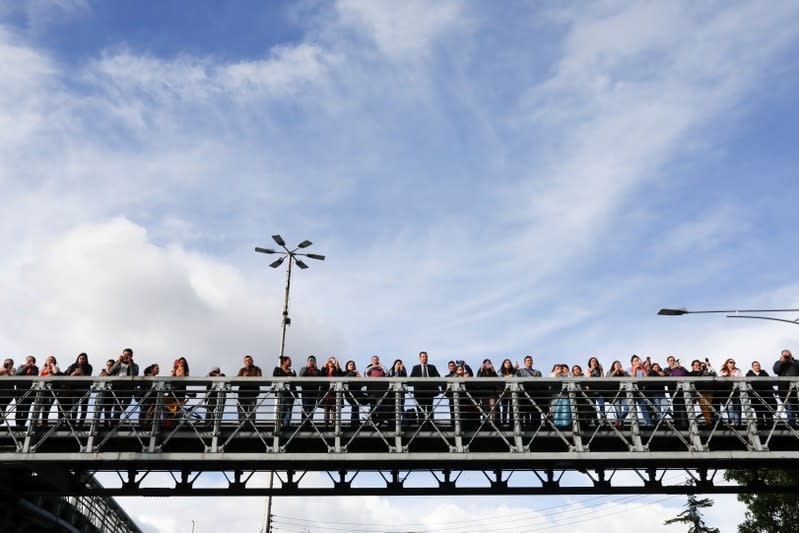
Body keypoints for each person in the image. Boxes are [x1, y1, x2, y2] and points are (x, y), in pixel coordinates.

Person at [108, 348, 139, 423]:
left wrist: (130, 364)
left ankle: (113, 419)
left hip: (128, 388)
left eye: (128, 355)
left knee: (126, 403)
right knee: (116, 406)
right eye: (125, 355)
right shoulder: (118, 363)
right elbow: (110, 371)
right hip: (117, 387)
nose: (126, 356)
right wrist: (118, 362)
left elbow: (134, 374)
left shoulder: (135, 365)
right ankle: (113, 424)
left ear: (131, 356)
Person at [410, 351, 441, 422]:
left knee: (430, 411)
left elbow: (438, 376)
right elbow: (411, 378)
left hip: (429, 392)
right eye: (423, 356)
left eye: (426, 356)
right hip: (419, 393)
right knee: (421, 412)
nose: (425, 358)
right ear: (420, 358)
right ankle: (421, 427)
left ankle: (431, 426)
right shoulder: (415, 368)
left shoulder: (432, 367)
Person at [64, 353, 93, 427]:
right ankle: (73, 423)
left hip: (85, 389)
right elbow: (67, 376)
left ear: (86, 359)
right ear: (78, 358)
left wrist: (81, 373)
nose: (81, 360)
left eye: (83, 359)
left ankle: (81, 424)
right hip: (75, 389)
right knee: (74, 407)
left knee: (84, 408)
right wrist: (74, 373)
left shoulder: (89, 367)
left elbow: (87, 378)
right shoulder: (73, 366)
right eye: (80, 358)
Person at [515, 355, 544, 428]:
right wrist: (514, 368)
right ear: (524, 362)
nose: (529, 362)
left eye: (530, 360)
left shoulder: (538, 372)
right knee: (524, 411)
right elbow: (514, 378)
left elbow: (540, 383)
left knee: (535, 411)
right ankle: (523, 427)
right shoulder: (520, 371)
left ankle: (536, 427)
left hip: (535, 394)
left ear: (532, 362)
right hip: (523, 395)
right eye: (528, 361)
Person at [773, 349, 799, 425]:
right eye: (785, 355)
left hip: (797, 390)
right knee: (790, 409)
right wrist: (781, 361)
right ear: (781, 356)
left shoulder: (796, 362)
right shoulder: (778, 363)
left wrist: (792, 362)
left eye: (788, 355)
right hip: (784, 391)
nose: (787, 357)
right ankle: (792, 427)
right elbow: (776, 370)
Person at [33, 355, 61, 427]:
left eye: (52, 360)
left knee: (47, 406)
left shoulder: (56, 368)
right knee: (39, 406)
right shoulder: (43, 368)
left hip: (51, 389)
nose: (50, 361)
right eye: (48, 360)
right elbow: (39, 377)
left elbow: (56, 373)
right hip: (42, 389)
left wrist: (52, 365)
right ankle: (37, 422)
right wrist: (44, 372)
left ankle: (44, 422)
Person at [747, 361, 776, 427]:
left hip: (767, 398)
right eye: (755, 365)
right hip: (756, 398)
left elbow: (769, 384)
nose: (757, 366)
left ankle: (771, 428)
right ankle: (761, 429)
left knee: (769, 415)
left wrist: (773, 390)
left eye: (758, 365)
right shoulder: (749, 374)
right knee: (759, 415)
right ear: (752, 367)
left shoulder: (764, 373)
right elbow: (748, 386)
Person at [663, 355, 689, 429]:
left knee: (684, 407)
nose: (672, 362)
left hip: (683, 390)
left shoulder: (681, 368)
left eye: (673, 360)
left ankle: (686, 424)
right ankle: (678, 425)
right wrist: (674, 368)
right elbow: (669, 375)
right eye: (671, 360)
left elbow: (687, 374)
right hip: (673, 390)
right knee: (676, 406)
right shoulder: (666, 369)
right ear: (668, 362)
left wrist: (680, 368)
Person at [688, 359, 715, 425]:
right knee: (704, 407)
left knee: (709, 407)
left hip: (708, 391)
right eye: (696, 365)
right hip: (699, 392)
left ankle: (710, 422)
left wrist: (709, 366)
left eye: (699, 365)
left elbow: (714, 375)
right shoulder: (690, 374)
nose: (698, 366)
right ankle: (708, 423)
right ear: (692, 366)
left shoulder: (705, 372)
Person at [627, 355, 652, 427]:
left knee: (643, 407)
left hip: (641, 390)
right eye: (635, 361)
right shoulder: (629, 369)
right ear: (632, 363)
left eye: (638, 360)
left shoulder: (642, 369)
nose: (637, 362)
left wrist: (643, 370)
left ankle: (648, 423)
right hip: (632, 391)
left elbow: (647, 379)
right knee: (633, 408)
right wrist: (635, 368)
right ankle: (635, 424)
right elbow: (632, 378)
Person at [236, 355, 262, 423]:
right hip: (242, 393)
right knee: (241, 411)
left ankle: (251, 427)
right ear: (244, 362)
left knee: (252, 412)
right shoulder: (242, 370)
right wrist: (243, 377)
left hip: (252, 393)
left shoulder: (257, 369)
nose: (248, 362)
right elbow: (236, 379)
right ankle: (242, 426)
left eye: (249, 360)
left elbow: (260, 378)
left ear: (252, 361)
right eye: (246, 361)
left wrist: (249, 377)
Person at [364, 355, 389, 426]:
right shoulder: (369, 367)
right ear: (371, 361)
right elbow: (366, 372)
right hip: (371, 389)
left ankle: (380, 421)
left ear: (378, 360)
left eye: (376, 360)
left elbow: (387, 373)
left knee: (380, 405)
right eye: (373, 360)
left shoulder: (381, 367)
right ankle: (373, 421)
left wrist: (381, 366)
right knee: (372, 405)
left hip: (381, 389)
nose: (375, 361)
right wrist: (374, 366)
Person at [273, 356, 296, 429]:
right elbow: (275, 378)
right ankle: (280, 424)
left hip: (291, 393)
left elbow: (295, 381)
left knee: (289, 409)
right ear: (284, 361)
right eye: (289, 360)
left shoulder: (292, 371)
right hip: (282, 392)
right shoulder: (277, 369)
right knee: (282, 408)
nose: (291, 362)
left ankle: (286, 425)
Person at [320, 356, 344, 426]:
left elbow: (340, 375)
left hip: (334, 393)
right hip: (326, 393)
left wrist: (337, 366)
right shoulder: (325, 370)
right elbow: (321, 375)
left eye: (332, 361)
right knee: (326, 409)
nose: (331, 362)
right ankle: (326, 425)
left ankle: (334, 425)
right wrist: (324, 366)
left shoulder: (336, 370)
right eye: (330, 361)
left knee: (334, 409)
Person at [718, 358, 742, 426]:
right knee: (730, 406)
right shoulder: (723, 371)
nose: (732, 364)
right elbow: (720, 380)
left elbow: (740, 380)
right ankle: (732, 421)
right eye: (731, 362)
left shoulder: (737, 371)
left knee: (736, 406)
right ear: (727, 364)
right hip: (726, 391)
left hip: (736, 391)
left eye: (734, 362)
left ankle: (737, 423)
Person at [299, 355, 322, 424]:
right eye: (310, 361)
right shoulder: (303, 369)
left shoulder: (318, 371)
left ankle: (310, 423)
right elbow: (301, 376)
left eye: (313, 361)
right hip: (306, 391)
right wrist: (307, 368)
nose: (312, 362)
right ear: (307, 362)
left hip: (314, 391)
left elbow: (320, 378)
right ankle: (303, 422)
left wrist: (315, 369)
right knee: (305, 407)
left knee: (312, 408)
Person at [606, 360, 629, 428]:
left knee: (627, 409)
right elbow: (608, 380)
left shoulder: (624, 372)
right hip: (615, 395)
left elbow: (630, 378)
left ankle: (618, 421)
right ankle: (620, 425)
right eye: (616, 365)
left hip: (624, 394)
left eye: (619, 365)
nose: (617, 366)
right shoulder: (610, 372)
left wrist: (623, 372)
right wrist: (615, 371)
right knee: (618, 411)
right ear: (613, 366)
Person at [343, 360, 364, 425]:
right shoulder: (344, 373)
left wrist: (358, 373)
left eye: (353, 365)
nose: (352, 366)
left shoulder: (356, 373)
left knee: (357, 404)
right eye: (350, 365)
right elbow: (345, 380)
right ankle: (354, 422)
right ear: (347, 366)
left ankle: (356, 421)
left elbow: (362, 383)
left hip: (357, 393)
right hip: (349, 393)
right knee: (355, 404)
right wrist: (352, 373)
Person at [586, 356, 606, 423]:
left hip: (599, 390)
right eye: (592, 361)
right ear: (590, 363)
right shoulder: (588, 370)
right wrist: (592, 369)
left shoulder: (599, 370)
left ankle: (603, 420)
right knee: (593, 406)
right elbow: (587, 379)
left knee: (602, 405)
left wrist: (601, 370)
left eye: (595, 361)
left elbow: (603, 379)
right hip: (591, 390)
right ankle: (596, 421)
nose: (594, 362)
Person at [96, 359, 115, 427]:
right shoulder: (102, 373)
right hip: (100, 395)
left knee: (107, 412)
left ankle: (106, 425)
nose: (109, 367)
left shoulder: (115, 374)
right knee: (97, 411)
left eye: (110, 365)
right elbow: (96, 383)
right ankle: (95, 426)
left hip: (110, 396)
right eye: (107, 365)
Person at [498, 359, 516, 426]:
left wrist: (514, 370)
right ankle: (504, 422)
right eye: (506, 362)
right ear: (503, 364)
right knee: (505, 408)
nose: (508, 364)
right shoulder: (500, 372)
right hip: (504, 393)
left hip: (512, 393)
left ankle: (511, 422)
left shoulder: (514, 372)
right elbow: (501, 377)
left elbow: (515, 377)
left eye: (509, 363)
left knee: (512, 408)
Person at [0, 358, 15, 425]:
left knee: (3, 406)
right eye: (6, 363)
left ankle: (1, 420)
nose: (7, 364)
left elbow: (12, 379)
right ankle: (1, 419)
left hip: (8, 392)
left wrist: (8, 370)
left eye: (9, 363)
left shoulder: (13, 370)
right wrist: (2, 371)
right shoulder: (1, 369)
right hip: (1, 390)